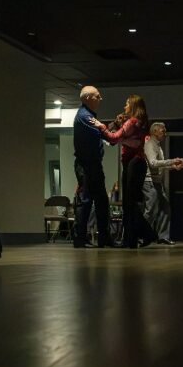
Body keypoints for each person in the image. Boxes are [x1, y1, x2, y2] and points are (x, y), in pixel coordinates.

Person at [96, 95, 156, 248]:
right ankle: (132, 239)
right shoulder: (140, 122)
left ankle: (144, 234)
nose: (125, 107)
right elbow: (124, 139)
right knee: (130, 203)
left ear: (134, 106)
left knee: (129, 204)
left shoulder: (133, 121)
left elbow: (114, 138)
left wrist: (101, 127)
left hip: (134, 163)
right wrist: (117, 124)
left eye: (127, 104)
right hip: (135, 163)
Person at [72, 86, 118, 248]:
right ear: (88, 98)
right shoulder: (86, 117)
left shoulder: (87, 116)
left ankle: (94, 238)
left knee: (98, 201)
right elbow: (105, 136)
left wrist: (110, 125)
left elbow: (101, 133)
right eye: (98, 96)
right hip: (88, 165)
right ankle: (83, 238)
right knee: (88, 201)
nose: (101, 99)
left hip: (91, 164)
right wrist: (110, 127)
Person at [142, 122, 183, 245]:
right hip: (149, 181)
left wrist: (172, 166)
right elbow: (153, 163)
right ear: (155, 131)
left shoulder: (158, 146)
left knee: (165, 208)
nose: (165, 133)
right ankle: (142, 235)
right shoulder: (150, 144)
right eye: (162, 131)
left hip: (157, 181)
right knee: (151, 209)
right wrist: (171, 161)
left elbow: (160, 166)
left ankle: (162, 236)